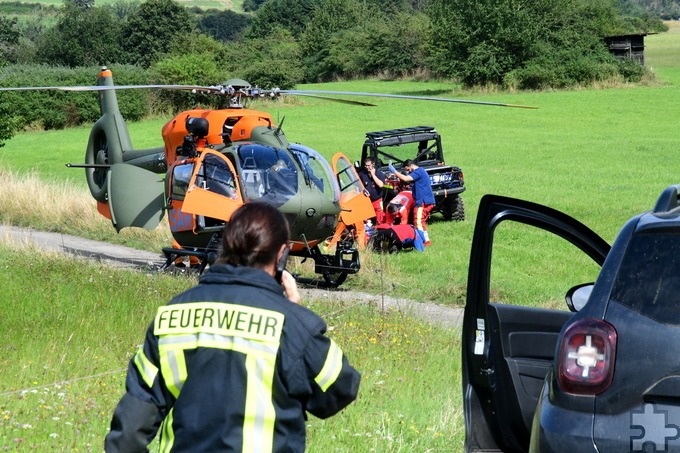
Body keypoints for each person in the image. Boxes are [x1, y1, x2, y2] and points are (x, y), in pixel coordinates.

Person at [105, 203, 361, 452]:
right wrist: (295, 311)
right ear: (281, 255)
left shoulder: (171, 316)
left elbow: (127, 435)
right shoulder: (290, 324)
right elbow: (340, 389)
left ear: (224, 246)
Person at [388, 159, 435, 246]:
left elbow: (406, 178)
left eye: (408, 169)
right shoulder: (421, 171)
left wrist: (394, 171)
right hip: (425, 200)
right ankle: (425, 239)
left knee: (418, 222)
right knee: (421, 222)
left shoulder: (418, 171)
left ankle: (424, 241)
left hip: (422, 202)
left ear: (412, 166)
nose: (408, 172)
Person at [358, 157, 386, 223]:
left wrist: (373, 175)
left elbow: (381, 185)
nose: (367, 167)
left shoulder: (379, 174)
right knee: (366, 219)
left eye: (368, 165)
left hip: (377, 200)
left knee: (380, 219)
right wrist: (363, 191)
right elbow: (359, 186)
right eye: (366, 165)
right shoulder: (362, 174)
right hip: (367, 201)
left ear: (373, 164)